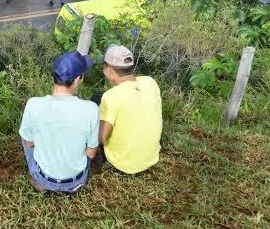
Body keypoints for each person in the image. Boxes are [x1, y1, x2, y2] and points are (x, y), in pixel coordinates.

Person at [19, 51, 99, 193]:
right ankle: (70, 186)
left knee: (25, 134)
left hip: (44, 179)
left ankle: (40, 181)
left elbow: (29, 144)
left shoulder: (33, 104)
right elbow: (91, 154)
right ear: (77, 79)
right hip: (76, 181)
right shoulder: (91, 109)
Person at [97, 45, 163, 175]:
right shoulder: (151, 83)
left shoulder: (111, 97)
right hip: (150, 158)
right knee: (98, 95)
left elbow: (101, 138)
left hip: (122, 164)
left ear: (109, 70)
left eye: (103, 66)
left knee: (97, 99)